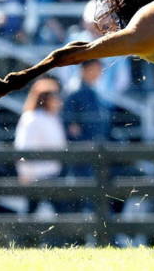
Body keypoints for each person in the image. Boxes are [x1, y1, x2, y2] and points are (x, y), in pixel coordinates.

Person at [14, 77, 67, 213]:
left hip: (52, 172)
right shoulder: (32, 118)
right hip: (37, 174)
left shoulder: (52, 118)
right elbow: (24, 147)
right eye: (54, 97)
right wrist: (25, 172)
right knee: (51, 210)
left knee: (36, 211)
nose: (58, 101)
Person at [63, 59, 108, 143]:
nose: (98, 73)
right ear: (84, 69)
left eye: (99, 70)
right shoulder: (75, 90)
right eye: (95, 69)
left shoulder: (93, 89)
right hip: (84, 144)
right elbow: (70, 123)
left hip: (96, 141)